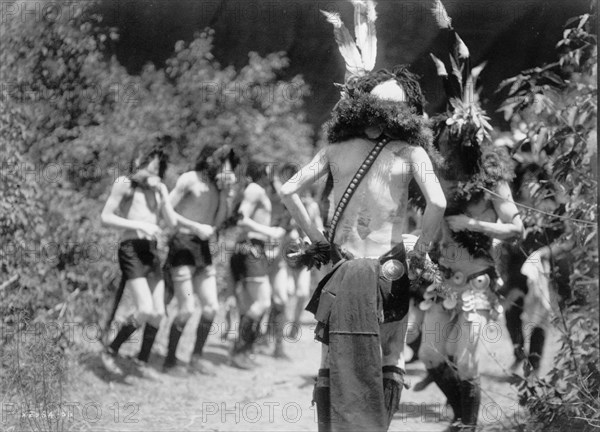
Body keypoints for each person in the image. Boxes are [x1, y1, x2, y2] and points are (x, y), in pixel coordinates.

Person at [280, 3, 446, 429]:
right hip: (389, 269)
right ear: (407, 113)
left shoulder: (333, 151)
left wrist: (319, 239)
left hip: (341, 265)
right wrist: (421, 252)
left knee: (330, 358)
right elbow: (439, 204)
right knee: (389, 356)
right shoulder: (412, 152)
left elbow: (288, 190)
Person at [416, 4, 523, 429]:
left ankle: (468, 425)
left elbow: (516, 228)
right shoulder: (439, 179)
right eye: (446, 140)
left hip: (477, 282)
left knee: (465, 359)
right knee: (429, 355)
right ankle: (461, 415)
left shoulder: (494, 180)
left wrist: (475, 225)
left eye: (458, 142)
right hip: (443, 281)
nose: (452, 148)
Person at [100, 142, 178, 377]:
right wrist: (139, 224)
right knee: (144, 308)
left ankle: (141, 360)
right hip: (131, 248)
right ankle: (111, 350)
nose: (152, 173)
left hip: (151, 251)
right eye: (149, 167)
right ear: (138, 163)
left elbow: (172, 223)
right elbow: (106, 216)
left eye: (157, 170)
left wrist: (164, 195)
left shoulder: (157, 190)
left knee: (158, 313)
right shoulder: (125, 184)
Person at [162, 144, 238, 375]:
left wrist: (227, 193)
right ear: (212, 160)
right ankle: (169, 361)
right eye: (225, 163)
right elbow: (165, 210)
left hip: (203, 250)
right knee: (186, 308)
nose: (228, 169)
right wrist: (194, 226)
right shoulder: (189, 179)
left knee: (211, 307)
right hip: (182, 246)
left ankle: (195, 359)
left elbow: (220, 222)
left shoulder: (217, 187)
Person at [229, 161, 287, 369]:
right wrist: (269, 232)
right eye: (270, 170)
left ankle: (243, 350)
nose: (273, 174)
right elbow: (241, 219)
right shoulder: (254, 189)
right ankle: (239, 350)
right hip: (250, 248)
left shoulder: (260, 190)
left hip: (251, 249)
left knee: (249, 305)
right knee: (263, 302)